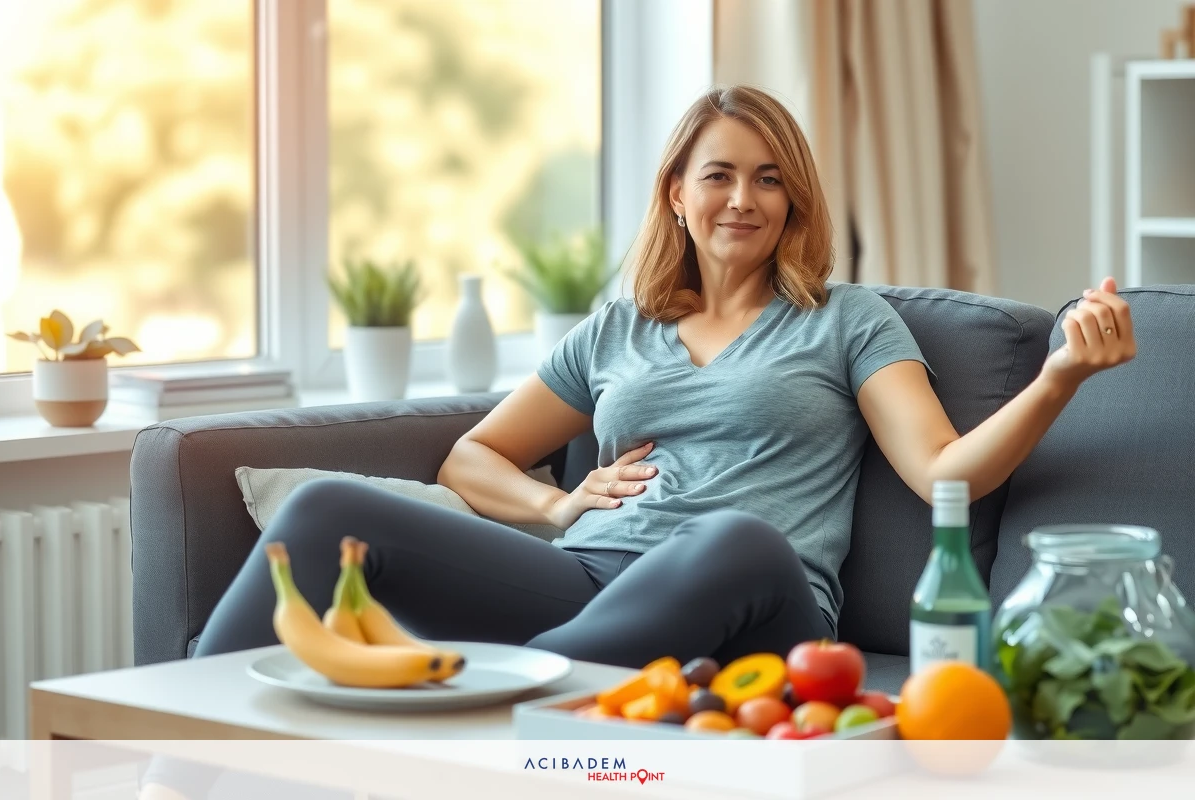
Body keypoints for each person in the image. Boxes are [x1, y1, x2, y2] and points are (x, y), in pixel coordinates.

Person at [138, 84, 1136, 799]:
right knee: (323, 512)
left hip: (759, 596)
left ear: (794, 202)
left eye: (769, 179)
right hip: (593, 581)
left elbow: (943, 471)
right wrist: (557, 504)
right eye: (719, 176)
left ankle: (491, 725)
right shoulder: (619, 328)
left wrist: (1058, 374)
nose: (743, 198)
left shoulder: (846, 318)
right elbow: (472, 457)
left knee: (738, 534)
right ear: (676, 193)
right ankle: (164, 774)